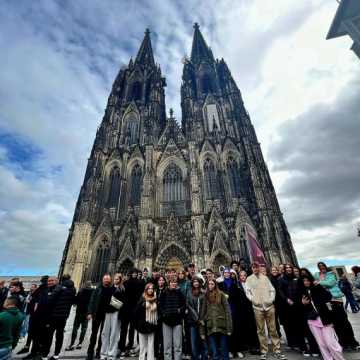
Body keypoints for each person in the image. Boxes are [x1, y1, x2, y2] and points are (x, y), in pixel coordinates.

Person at [314, 261, 360, 350]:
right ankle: (343, 343)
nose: (321, 267)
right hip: (326, 302)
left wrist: (319, 282)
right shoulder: (317, 275)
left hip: (336, 299)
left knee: (344, 321)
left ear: (325, 266)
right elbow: (315, 283)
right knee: (335, 323)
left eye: (322, 265)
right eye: (319, 266)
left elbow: (330, 283)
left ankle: (353, 342)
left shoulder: (331, 274)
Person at [245, 262, 286, 360]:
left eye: (256, 267)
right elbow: (247, 292)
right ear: (252, 269)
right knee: (261, 330)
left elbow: (272, 290)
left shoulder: (265, 278)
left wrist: (271, 300)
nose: (255, 269)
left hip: (269, 307)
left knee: (273, 329)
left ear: (259, 268)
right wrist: (253, 300)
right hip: (257, 308)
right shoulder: (249, 279)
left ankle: (277, 350)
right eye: (253, 267)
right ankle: (264, 351)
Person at [300, 273, 345, 360]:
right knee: (321, 343)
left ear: (311, 280)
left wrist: (319, 286)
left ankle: (339, 358)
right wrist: (303, 304)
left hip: (325, 319)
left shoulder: (317, 288)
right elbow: (301, 309)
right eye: (304, 281)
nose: (306, 282)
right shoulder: (302, 292)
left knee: (330, 343)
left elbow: (328, 297)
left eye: (307, 280)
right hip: (312, 321)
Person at [278, 264, 311, 355]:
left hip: (300, 304)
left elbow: (302, 289)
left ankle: (311, 347)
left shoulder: (297, 278)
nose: (288, 269)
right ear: (284, 270)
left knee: (305, 326)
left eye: (290, 268)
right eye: (287, 268)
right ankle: (303, 348)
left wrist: (304, 299)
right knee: (297, 327)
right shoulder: (281, 279)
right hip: (289, 305)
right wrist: (287, 299)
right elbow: (280, 291)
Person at [43, 274, 76, 360]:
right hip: (63, 316)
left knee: (48, 335)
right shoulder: (73, 289)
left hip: (53, 316)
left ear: (59, 280)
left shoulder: (59, 287)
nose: (49, 282)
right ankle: (56, 355)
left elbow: (50, 300)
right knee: (60, 335)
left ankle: (44, 355)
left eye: (51, 281)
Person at [199, 279, 232, 360]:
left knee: (224, 351)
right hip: (211, 326)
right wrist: (202, 331)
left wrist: (229, 328)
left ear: (215, 285)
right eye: (209, 284)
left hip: (222, 325)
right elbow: (202, 314)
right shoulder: (206, 297)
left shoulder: (221, 295)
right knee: (214, 353)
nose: (210, 285)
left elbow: (227, 311)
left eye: (212, 284)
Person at [218, 268, 244, 359]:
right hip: (225, 311)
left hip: (234, 310)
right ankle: (230, 350)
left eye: (228, 273)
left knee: (236, 330)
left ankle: (238, 350)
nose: (227, 274)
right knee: (228, 331)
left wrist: (229, 296)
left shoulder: (234, 284)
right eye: (225, 273)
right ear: (223, 274)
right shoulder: (220, 285)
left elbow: (238, 298)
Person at [87, 274, 113, 360]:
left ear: (110, 281)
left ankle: (99, 352)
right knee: (93, 335)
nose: (106, 281)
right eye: (105, 279)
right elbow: (92, 300)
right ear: (102, 280)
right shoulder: (97, 289)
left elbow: (116, 302)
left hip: (107, 316)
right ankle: (90, 353)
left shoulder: (112, 290)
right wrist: (89, 312)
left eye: (108, 280)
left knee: (103, 335)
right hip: (97, 315)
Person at [23, 275, 49, 360]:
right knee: (37, 336)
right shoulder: (44, 290)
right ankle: (35, 352)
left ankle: (35, 353)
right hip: (39, 316)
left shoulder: (42, 290)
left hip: (38, 316)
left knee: (36, 336)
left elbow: (34, 301)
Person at [159, 277, 186, 360]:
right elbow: (160, 305)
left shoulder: (180, 293)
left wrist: (180, 310)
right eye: (172, 282)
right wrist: (164, 313)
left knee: (178, 345)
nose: (173, 284)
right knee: (167, 345)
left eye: (175, 282)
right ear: (169, 283)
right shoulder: (164, 293)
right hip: (166, 321)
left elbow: (184, 305)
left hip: (177, 321)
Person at [101, 273, 126, 360]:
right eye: (114, 279)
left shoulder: (122, 290)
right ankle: (103, 353)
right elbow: (105, 300)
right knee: (105, 333)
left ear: (120, 280)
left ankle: (111, 353)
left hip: (117, 313)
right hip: (108, 312)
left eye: (117, 279)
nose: (115, 280)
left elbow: (122, 303)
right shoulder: (109, 288)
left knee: (114, 334)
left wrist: (111, 301)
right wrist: (113, 302)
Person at [119, 269, 143, 357]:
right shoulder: (125, 283)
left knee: (132, 330)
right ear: (130, 274)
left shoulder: (140, 283)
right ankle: (121, 347)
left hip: (134, 310)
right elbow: (121, 296)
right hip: (125, 309)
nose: (134, 274)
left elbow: (141, 297)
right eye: (133, 273)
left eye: (136, 273)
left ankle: (129, 346)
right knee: (124, 329)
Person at [66, 281, 94, 351]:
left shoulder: (81, 291)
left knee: (75, 328)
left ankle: (72, 344)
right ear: (90, 286)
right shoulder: (92, 293)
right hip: (87, 313)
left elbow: (75, 302)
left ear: (84, 285)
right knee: (84, 329)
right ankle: (80, 344)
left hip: (79, 312)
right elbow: (93, 303)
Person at [238, 271, 260, 355]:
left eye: (244, 275)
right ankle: (251, 347)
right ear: (239, 277)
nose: (243, 277)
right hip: (243, 310)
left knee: (254, 328)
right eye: (241, 276)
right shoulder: (238, 285)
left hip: (252, 308)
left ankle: (257, 346)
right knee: (247, 328)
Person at [135, 283, 158, 360]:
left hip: (152, 325)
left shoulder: (156, 299)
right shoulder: (142, 298)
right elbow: (136, 312)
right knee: (142, 346)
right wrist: (143, 304)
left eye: (152, 288)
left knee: (151, 345)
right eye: (149, 288)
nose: (150, 290)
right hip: (142, 325)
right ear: (146, 289)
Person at [186, 276, 207, 360]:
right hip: (193, 321)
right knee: (194, 342)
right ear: (192, 283)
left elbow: (205, 306)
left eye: (197, 281)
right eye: (194, 282)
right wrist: (197, 319)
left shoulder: (203, 293)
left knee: (204, 342)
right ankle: (196, 357)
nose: (196, 283)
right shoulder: (189, 292)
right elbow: (189, 306)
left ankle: (204, 357)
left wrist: (202, 319)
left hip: (202, 321)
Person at [17, 284, 38, 355]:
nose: (31, 288)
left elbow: (34, 303)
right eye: (31, 287)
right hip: (24, 310)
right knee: (22, 323)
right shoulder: (29, 293)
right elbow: (26, 300)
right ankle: (21, 335)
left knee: (26, 324)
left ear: (35, 288)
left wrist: (29, 302)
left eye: (32, 287)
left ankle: (23, 335)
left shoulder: (35, 295)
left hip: (29, 312)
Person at [155, 276, 167, 360]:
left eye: (162, 280)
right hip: (155, 316)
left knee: (163, 336)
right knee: (155, 335)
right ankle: (155, 352)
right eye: (160, 280)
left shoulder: (166, 291)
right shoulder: (154, 290)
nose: (161, 281)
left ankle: (162, 353)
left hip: (163, 316)